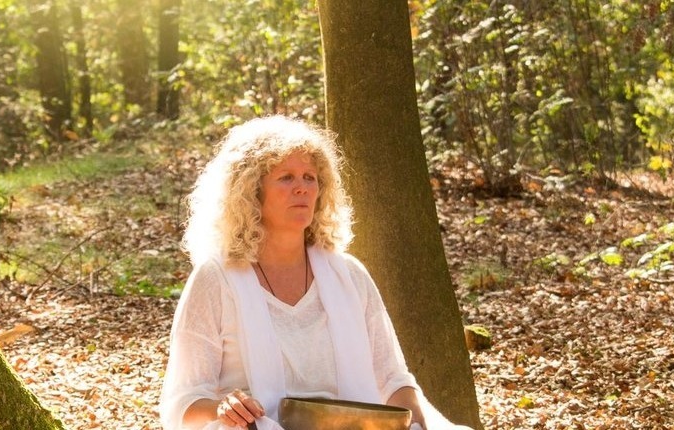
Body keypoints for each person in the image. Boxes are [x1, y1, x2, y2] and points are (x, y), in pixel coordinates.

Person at [160, 116, 469, 430]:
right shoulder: (215, 279)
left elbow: (393, 381)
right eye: (286, 177)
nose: (302, 189)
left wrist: (417, 425)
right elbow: (186, 401)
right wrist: (224, 408)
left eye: (310, 177)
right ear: (251, 191)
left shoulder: (350, 275)